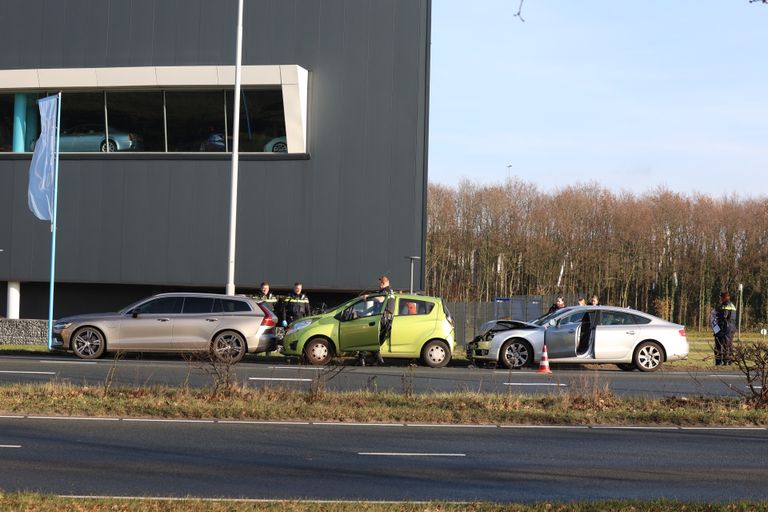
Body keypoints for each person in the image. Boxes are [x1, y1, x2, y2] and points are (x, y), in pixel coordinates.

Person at [357, 275, 396, 366]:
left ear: (384, 283)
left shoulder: (385, 290)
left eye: (380, 283)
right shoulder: (390, 290)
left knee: (369, 337)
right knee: (375, 340)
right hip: (387, 319)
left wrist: (369, 297)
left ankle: (361, 359)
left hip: (383, 318)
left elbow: (381, 299)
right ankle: (378, 360)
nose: (379, 285)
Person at [715, 292, 737, 366]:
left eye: (721, 297)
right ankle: (729, 361)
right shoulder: (732, 305)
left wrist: (717, 313)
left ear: (725, 298)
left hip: (725, 327)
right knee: (729, 344)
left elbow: (723, 316)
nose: (720, 299)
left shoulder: (725, 305)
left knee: (723, 344)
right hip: (732, 327)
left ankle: (723, 361)